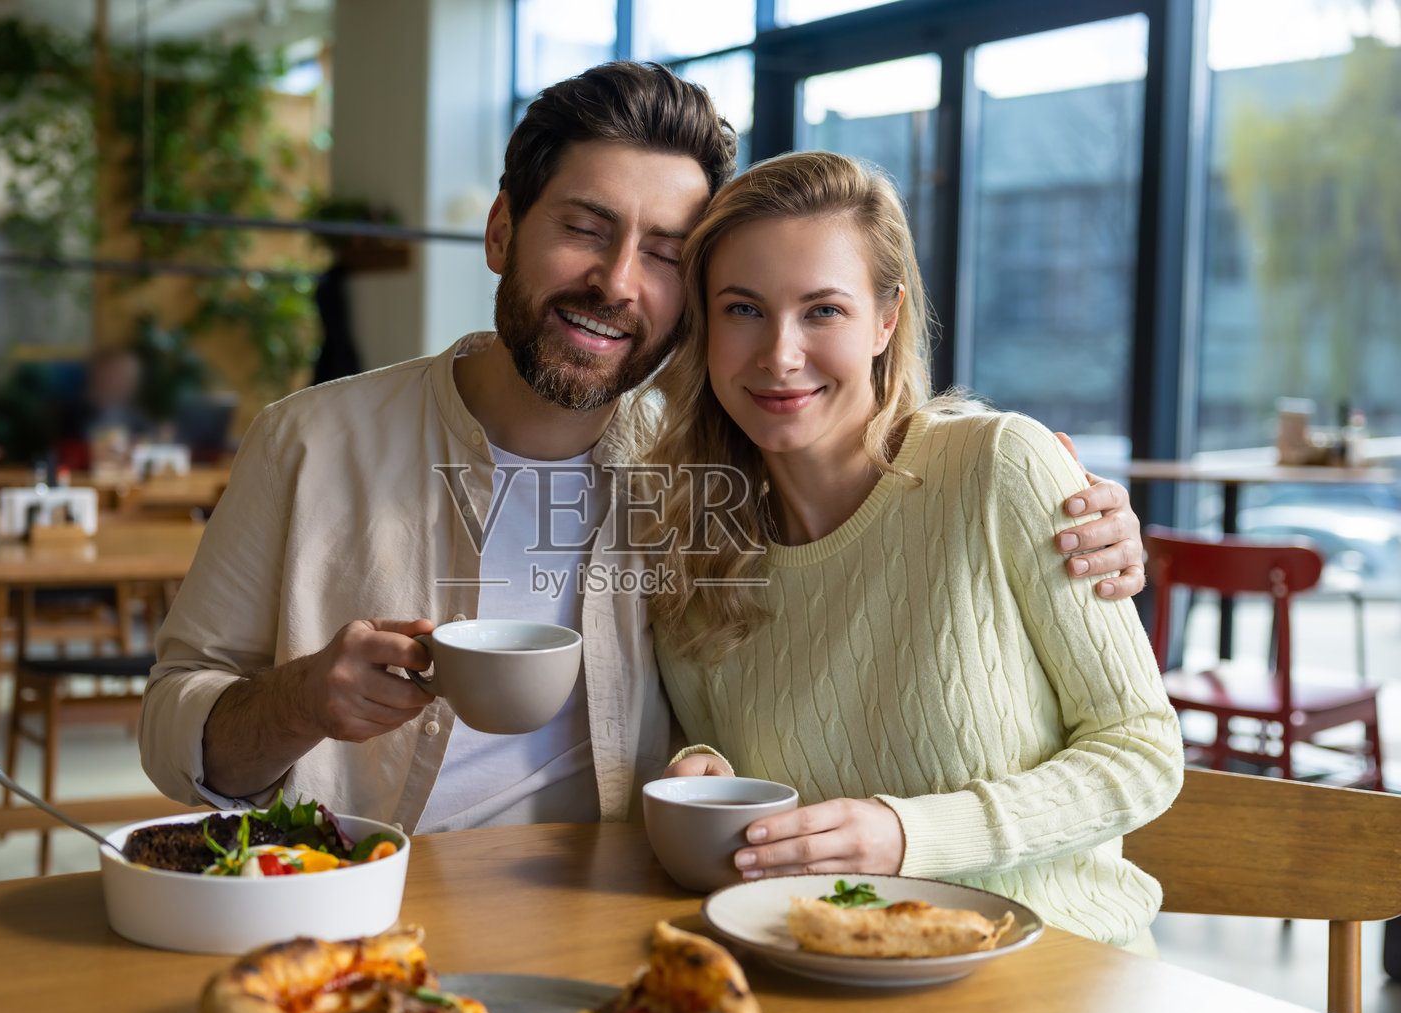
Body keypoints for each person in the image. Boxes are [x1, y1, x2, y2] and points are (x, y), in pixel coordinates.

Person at [139, 64, 1147, 836]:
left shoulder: (705, 467)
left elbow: (878, 501)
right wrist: (300, 697)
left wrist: (1066, 505)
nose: (617, 281)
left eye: (664, 253)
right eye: (584, 228)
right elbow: (172, 730)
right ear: (501, 230)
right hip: (348, 892)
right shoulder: (310, 440)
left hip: (622, 914)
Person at [647, 152, 1182, 953]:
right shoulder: (693, 541)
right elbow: (716, 740)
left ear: (885, 319)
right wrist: (702, 769)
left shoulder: (1001, 466)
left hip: (1062, 976)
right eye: (744, 309)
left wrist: (909, 834)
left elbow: (1142, 750)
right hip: (837, 979)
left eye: (823, 310)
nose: (780, 354)